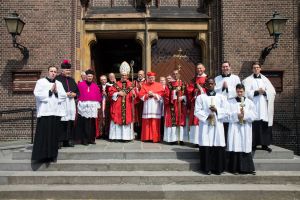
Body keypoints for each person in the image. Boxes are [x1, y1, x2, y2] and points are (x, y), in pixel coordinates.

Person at [32, 66, 67, 163]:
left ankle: (52, 155)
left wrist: (56, 92)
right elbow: (37, 94)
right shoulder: (41, 82)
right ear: (48, 72)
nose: (53, 73)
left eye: (55, 72)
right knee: (43, 135)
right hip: (45, 112)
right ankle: (41, 156)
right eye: (51, 71)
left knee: (53, 135)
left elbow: (64, 96)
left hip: (55, 112)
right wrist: (49, 91)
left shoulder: (59, 84)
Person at [194, 78, 228, 175]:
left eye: (212, 83)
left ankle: (218, 169)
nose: (210, 85)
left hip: (217, 125)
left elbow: (226, 111)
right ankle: (206, 168)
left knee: (217, 144)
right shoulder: (200, 98)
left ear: (215, 84)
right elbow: (196, 111)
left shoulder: (221, 97)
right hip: (206, 125)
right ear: (205, 85)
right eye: (208, 84)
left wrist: (217, 110)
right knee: (206, 144)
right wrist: (207, 115)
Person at [242, 62, 276, 152]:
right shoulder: (247, 80)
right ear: (252, 69)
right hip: (253, 105)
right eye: (254, 67)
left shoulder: (265, 80)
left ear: (260, 69)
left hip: (264, 106)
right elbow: (245, 92)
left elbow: (272, 92)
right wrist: (257, 92)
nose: (256, 69)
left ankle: (264, 145)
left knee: (264, 123)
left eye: (257, 67)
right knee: (254, 123)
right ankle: (253, 144)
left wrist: (264, 92)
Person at [227, 84, 256, 175]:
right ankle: (234, 169)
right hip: (235, 128)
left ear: (244, 91)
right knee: (235, 145)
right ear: (236, 91)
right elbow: (227, 115)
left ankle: (247, 169)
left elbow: (254, 115)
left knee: (245, 146)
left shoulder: (250, 102)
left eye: (241, 91)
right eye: (238, 91)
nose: (239, 93)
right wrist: (237, 115)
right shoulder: (230, 102)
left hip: (245, 127)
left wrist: (245, 115)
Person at [108, 61, 135, 141]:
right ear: (120, 75)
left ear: (128, 75)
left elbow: (134, 96)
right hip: (117, 107)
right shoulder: (115, 84)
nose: (124, 76)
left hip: (128, 107)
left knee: (127, 119)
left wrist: (133, 94)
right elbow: (110, 93)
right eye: (122, 75)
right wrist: (118, 93)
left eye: (125, 75)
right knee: (117, 119)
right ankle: (116, 137)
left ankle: (126, 137)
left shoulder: (131, 84)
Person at [214, 61, 241, 143]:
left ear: (230, 67)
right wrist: (222, 88)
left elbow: (239, 90)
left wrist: (228, 88)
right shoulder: (217, 78)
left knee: (231, 122)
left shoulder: (236, 78)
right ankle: (222, 141)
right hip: (221, 104)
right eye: (223, 67)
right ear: (221, 68)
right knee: (221, 123)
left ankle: (231, 142)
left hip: (231, 103)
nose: (225, 68)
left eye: (226, 66)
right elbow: (215, 91)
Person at [56, 60, 79, 147]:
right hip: (62, 103)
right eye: (66, 70)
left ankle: (69, 140)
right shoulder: (57, 79)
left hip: (71, 103)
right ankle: (60, 140)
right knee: (62, 122)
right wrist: (65, 94)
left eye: (69, 70)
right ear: (62, 70)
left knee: (70, 121)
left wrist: (75, 94)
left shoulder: (72, 80)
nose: (68, 72)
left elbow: (77, 92)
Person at [75, 69, 102, 145]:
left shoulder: (95, 86)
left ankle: (91, 139)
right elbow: (77, 93)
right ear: (86, 76)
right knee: (84, 123)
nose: (90, 77)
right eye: (88, 76)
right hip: (84, 107)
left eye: (91, 76)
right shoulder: (80, 84)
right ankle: (84, 140)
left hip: (92, 107)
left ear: (92, 77)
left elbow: (98, 96)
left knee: (92, 123)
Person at [163, 69, 188, 144]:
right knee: (172, 122)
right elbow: (166, 95)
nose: (175, 75)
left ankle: (180, 139)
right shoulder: (169, 85)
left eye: (177, 74)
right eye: (174, 74)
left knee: (180, 122)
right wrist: (174, 92)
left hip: (180, 106)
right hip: (172, 106)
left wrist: (183, 97)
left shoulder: (183, 84)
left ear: (179, 74)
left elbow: (188, 93)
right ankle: (172, 139)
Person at [139, 72, 164, 143]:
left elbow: (162, 94)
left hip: (155, 106)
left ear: (154, 78)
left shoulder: (159, 85)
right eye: (150, 78)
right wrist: (147, 95)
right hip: (147, 106)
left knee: (155, 122)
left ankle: (155, 138)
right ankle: (146, 138)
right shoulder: (144, 85)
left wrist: (154, 94)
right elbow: (140, 95)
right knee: (147, 122)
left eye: (152, 78)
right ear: (148, 78)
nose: (151, 79)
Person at [186, 63, 207, 146]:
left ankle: (203, 140)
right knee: (195, 120)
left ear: (204, 69)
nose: (199, 70)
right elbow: (189, 90)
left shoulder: (207, 78)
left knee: (201, 120)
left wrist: (201, 89)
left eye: (201, 68)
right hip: (195, 102)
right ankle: (195, 141)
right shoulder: (194, 79)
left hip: (204, 103)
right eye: (198, 68)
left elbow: (209, 89)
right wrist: (195, 91)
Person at [133, 70, 147, 139]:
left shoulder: (146, 82)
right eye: (139, 74)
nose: (140, 75)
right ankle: (138, 133)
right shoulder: (134, 82)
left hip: (144, 102)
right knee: (137, 118)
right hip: (137, 102)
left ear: (144, 75)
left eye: (141, 74)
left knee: (143, 117)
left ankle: (143, 133)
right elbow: (132, 90)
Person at [97, 75, 109, 139]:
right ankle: (100, 133)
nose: (103, 81)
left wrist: (106, 95)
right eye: (101, 80)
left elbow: (113, 96)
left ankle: (107, 133)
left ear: (106, 80)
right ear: (100, 81)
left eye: (104, 79)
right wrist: (101, 95)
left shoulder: (110, 87)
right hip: (100, 104)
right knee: (100, 118)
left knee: (107, 118)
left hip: (107, 104)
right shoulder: (98, 87)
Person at [159, 76, 167, 141]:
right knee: (160, 120)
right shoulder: (158, 88)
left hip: (165, 106)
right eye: (161, 80)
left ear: (165, 81)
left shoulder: (167, 88)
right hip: (158, 106)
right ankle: (161, 134)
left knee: (164, 120)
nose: (162, 81)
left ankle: (165, 134)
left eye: (163, 80)